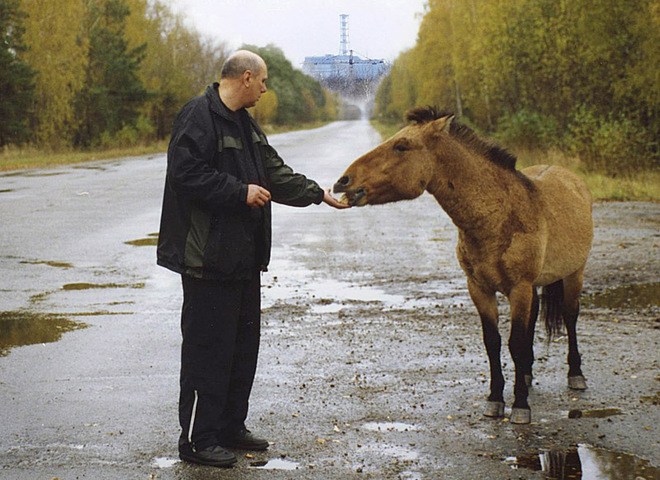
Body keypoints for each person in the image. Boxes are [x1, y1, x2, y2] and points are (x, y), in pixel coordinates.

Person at [156, 50, 349, 468]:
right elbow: (184, 174)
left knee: (242, 348)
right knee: (208, 350)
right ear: (246, 77)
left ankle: (229, 426)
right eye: (263, 81)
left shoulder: (247, 125)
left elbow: (274, 173)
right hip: (206, 260)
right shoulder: (198, 116)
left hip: (243, 259)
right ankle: (197, 439)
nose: (265, 89)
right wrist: (238, 191)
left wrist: (318, 194)